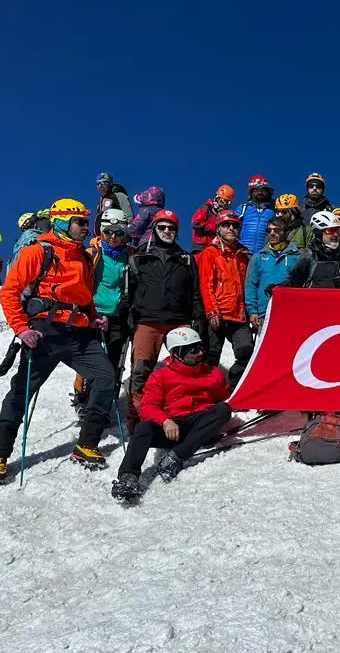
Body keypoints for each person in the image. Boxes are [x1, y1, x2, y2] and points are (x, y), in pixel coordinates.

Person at [0, 199, 115, 482]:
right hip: (44, 333)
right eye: (79, 221)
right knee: (21, 392)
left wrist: (93, 317)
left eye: (84, 222)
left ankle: (87, 443)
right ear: (61, 222)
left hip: (78, 334)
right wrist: (22, 329)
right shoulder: (38, 252)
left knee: (106, 377)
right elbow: (9, 292)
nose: (84, 226)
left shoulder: (81, 256)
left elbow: (83, 297)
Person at [111, 327, 232, 501]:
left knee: (223, 410)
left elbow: (225, 397)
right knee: (143, 427)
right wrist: (165, 420)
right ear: (178, 353)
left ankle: (176, 457)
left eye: (201, 347)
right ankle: (128, 477)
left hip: (199, 425)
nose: (200, 353)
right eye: (194, 350)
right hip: (172, 426)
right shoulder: (161, 376)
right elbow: (147, 407)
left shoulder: (212, 373)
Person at [127, 209, 203, 428]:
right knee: (141, 370)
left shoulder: (186, 259)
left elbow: (195, 291)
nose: (167, 231)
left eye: (171, 228)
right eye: (162, 227)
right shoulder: (139, 258)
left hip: (179, 320)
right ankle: (138, 417)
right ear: (154, 229)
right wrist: (130, 317)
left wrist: (197, 317)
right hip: (147, 321)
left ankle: (183, 413)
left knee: (187, 369)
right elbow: (129, 291)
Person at [72, 209, 133, 414]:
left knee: (113, 360)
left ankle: (103, 402)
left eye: (118, 233)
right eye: (108, 232)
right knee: (92, 361)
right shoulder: (92, 254)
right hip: (94, 314)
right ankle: (83, 397)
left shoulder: (131, 256)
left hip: (118, 315)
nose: (113, 237)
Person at [196, 211, 252, 387]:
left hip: (238, 314)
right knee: (212, 355)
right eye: (226, 225)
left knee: (246, 351)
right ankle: (208, 392)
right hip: (218, 313)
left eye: (235, 225)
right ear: (218, 229)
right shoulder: (210, 253)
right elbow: (206, 284)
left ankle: (235, 389)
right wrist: (212, 311)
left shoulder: (242, 255)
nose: (231, 228)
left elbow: (245, 286)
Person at [282, 211, 340, 290]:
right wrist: (279, 287)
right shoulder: (309, 255)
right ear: (318, 232)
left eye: (337, 230)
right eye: (330, 230)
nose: (335, 234)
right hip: (316, 304)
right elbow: (295, 279)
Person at [245, 215, 301, 332]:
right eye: (269, 230)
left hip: (291, 313)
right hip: (263, 314)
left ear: (286, 232)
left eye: (277, 230)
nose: (272, 233)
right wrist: (252, 311)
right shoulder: (258, 257)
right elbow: (251, 285)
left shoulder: (297, 256)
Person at [238, 175, 276, 254]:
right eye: (256, 190)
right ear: (251, 192)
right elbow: (234, 230)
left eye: (263, 190)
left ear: (268, 192)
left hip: (264, 254)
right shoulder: (242, 209)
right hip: (243, 254)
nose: (260, 192)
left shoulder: (274, 210)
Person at [191, 184, 234, 252]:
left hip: (215, 248)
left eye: (227, 203)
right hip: (200, 247)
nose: (224, 205)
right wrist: (214, 227)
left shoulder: (223, 215)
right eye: (223, 201)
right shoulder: (205, 209)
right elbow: (196, 224)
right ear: (217, 198)